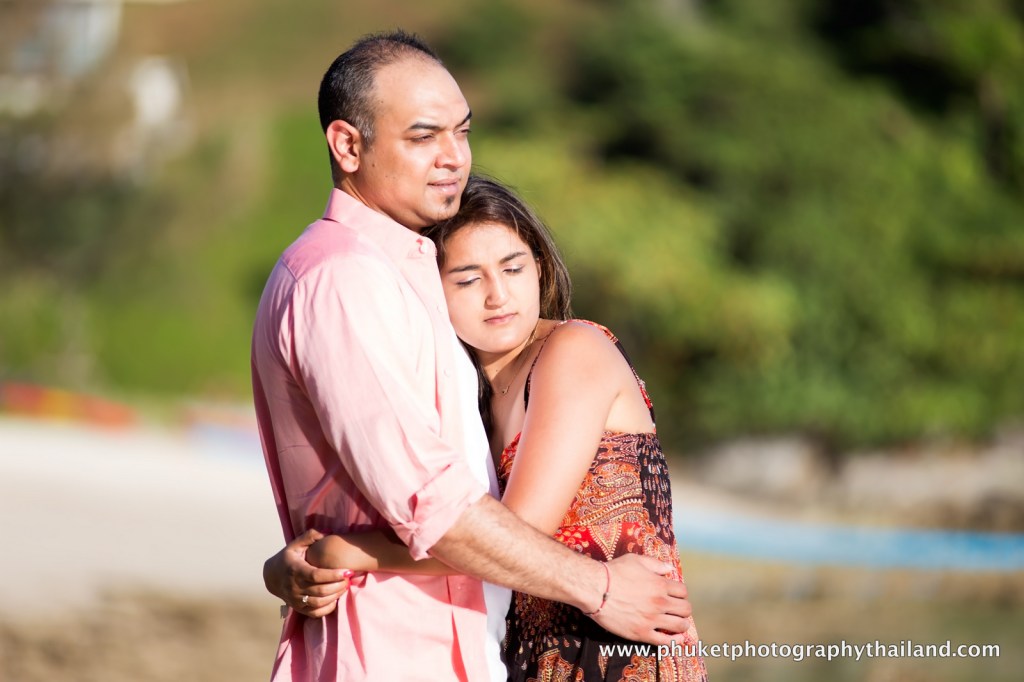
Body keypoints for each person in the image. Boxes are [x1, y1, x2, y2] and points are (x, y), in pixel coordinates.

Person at [252, 30, 693, 681]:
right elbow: (437, 506)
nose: (453, 157)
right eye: (424, 136)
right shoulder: (344, 279)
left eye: (462, 131)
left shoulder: (408, 276)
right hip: (395, 652)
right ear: (348, 145)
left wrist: (329, 552)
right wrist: (602, 589)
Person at [303, 176, 709, 681]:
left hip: (622, 655)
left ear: (538, 267)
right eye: (468, 279)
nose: (498, 296)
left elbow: (516, 536)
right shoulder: (462, 396)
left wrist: (344, 551)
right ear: (433, 290)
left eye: (513, 268)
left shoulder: (573, 351)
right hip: (525, 657)